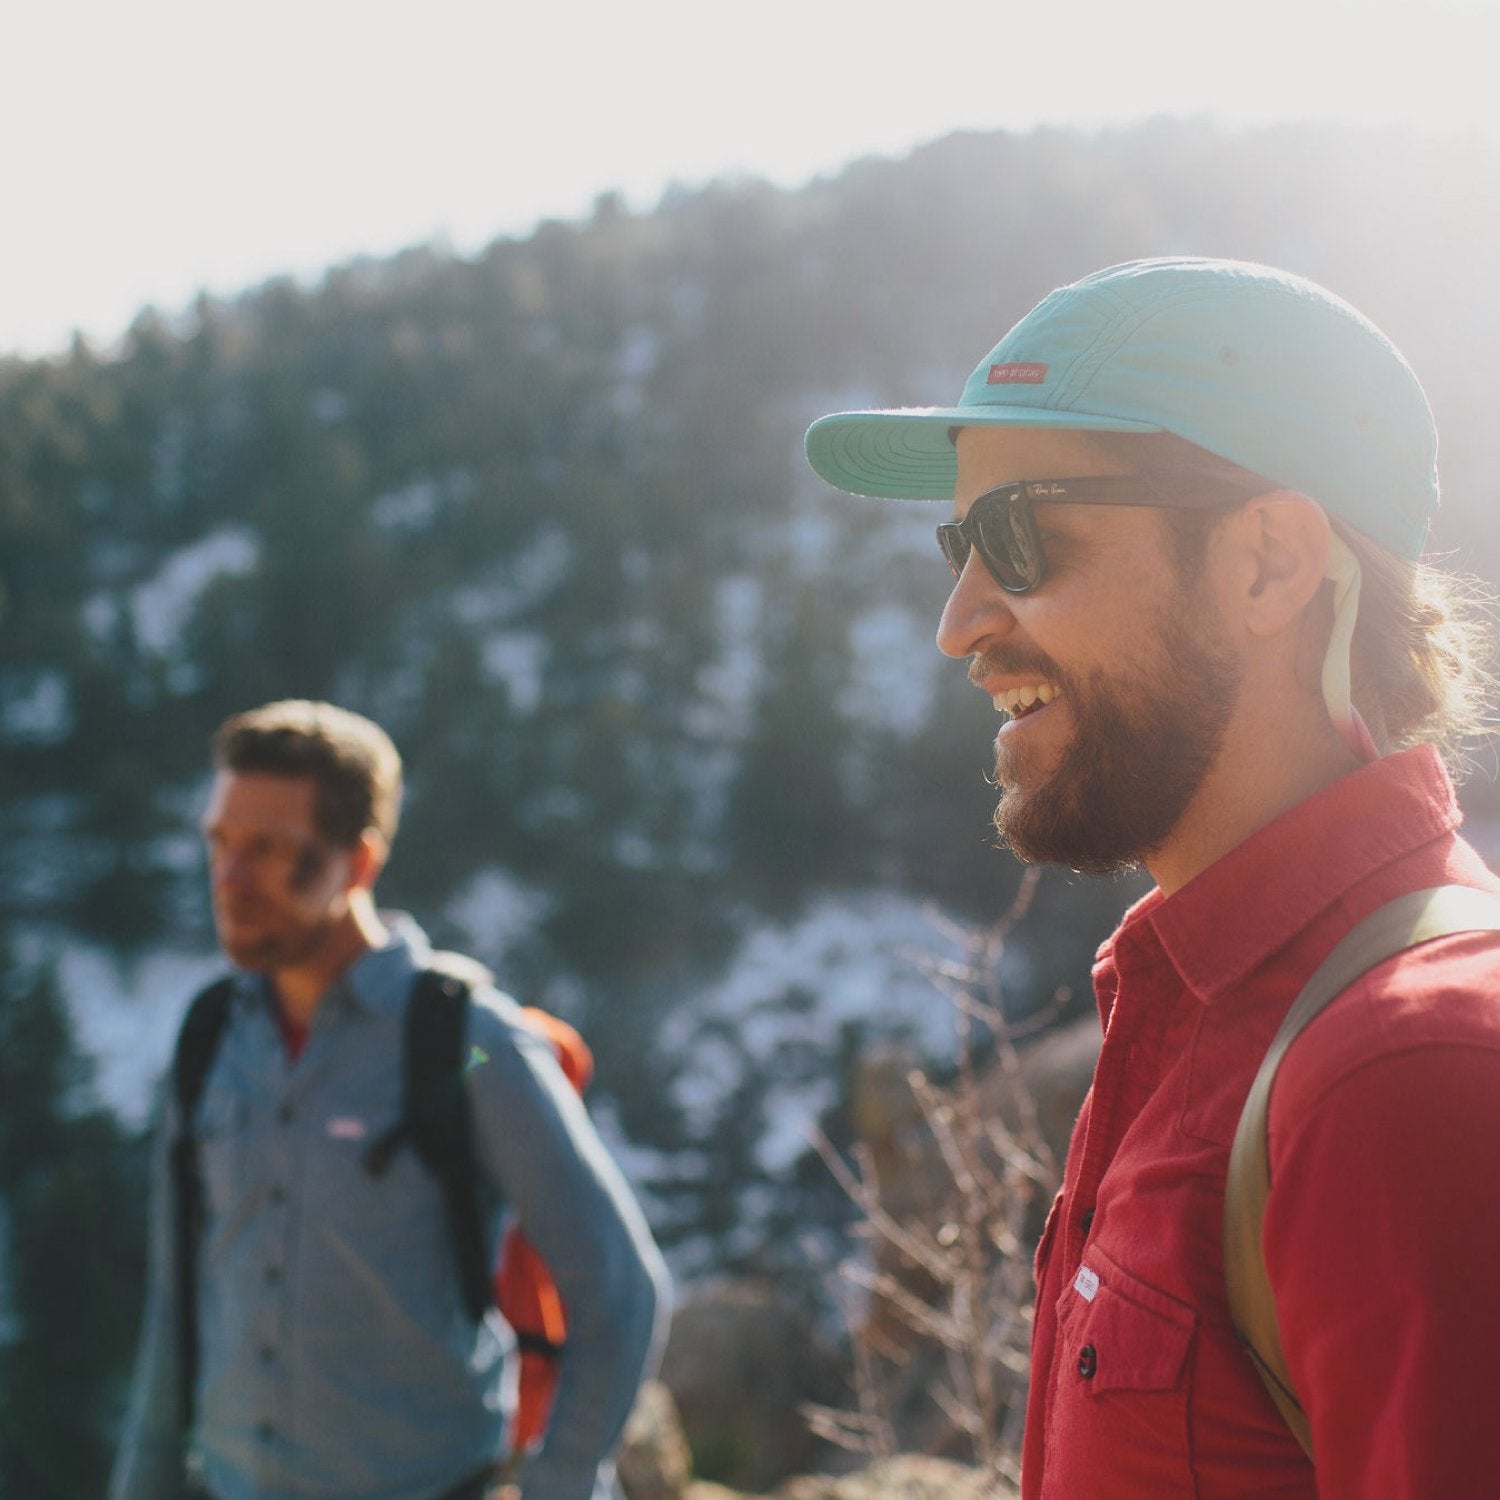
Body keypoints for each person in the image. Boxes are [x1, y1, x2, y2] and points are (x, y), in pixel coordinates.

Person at [804, 257, 1500, 1497]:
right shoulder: (1200, 1001)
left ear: (1270, 564)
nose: (958, 622)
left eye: (1020, 537)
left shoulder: (1408, 1073)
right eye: (960, 545)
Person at [110, 699, 670, 1500]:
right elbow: (175, 1307)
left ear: (360, 862)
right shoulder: (209, 1039)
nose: (230, 879)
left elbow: (620, 1286)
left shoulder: (465, 1038)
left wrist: (562, 1481)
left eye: (269, 849)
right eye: (220, 843)